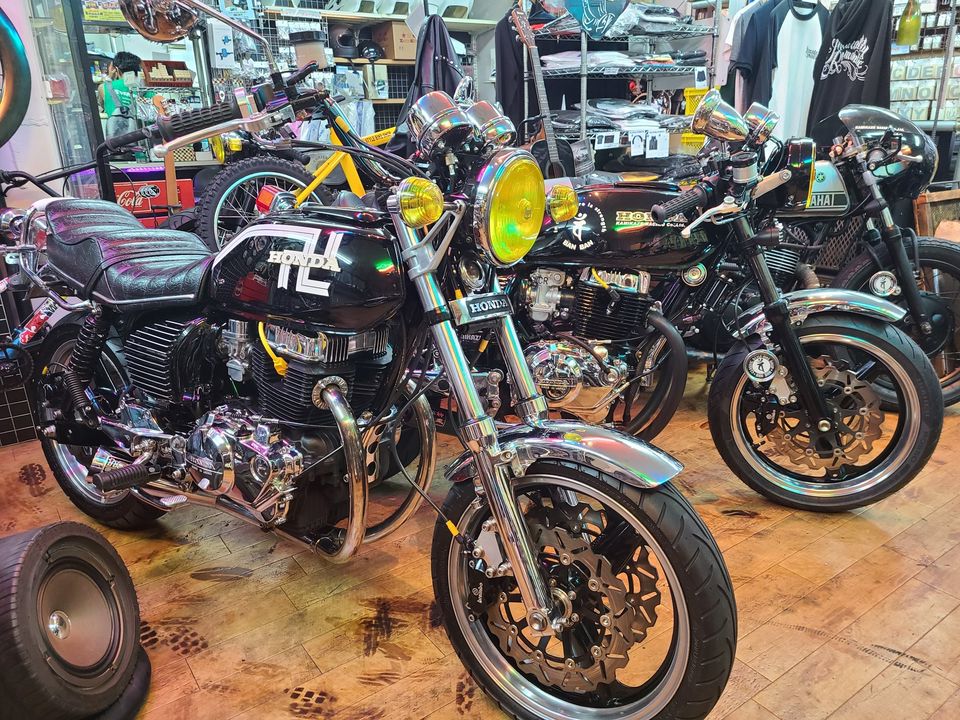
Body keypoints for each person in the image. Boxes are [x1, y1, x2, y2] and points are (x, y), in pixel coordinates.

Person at [97, 51, 165, 138]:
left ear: (116, 69)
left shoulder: (104, 87)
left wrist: (109, 77)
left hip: (117, 141)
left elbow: (102, 106)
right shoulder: (146, 90)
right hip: (143, 140)